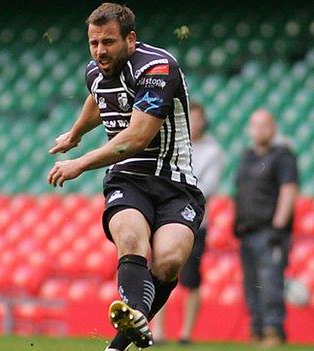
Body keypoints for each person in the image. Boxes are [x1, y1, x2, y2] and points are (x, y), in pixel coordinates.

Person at [47, 3, 205, 349]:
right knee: (131, 240)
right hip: (127, 178)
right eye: (94, 43)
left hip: (175, 182)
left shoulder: (157, 68)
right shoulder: (96, 71)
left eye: (108, 42)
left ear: (130, 40)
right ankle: (118, 347)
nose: (100, 51)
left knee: (169, 261)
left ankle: (122, 338)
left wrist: (80, 162)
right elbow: (98, 97)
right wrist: (75, 133)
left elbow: (137, 138)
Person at [151, 102, 224, 345]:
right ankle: (157, 329)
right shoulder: (174, 144)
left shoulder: (212, 151)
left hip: (195, 222)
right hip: (167, 219)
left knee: (191, 279)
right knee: (160, 272)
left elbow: (206, 188)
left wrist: (175, 189)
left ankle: (186, 332)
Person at [233, 109, 298, 347]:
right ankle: (257, 328)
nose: (259, 130)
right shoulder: (247, 156)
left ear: (273, 128)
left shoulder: (283, 155)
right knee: (251, 284)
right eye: (255, 125)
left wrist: (278, 226)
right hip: (247, 230)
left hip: (269, 231)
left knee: (270, 281)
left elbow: (288, 189)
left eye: (264, 125)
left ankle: (273, 330)